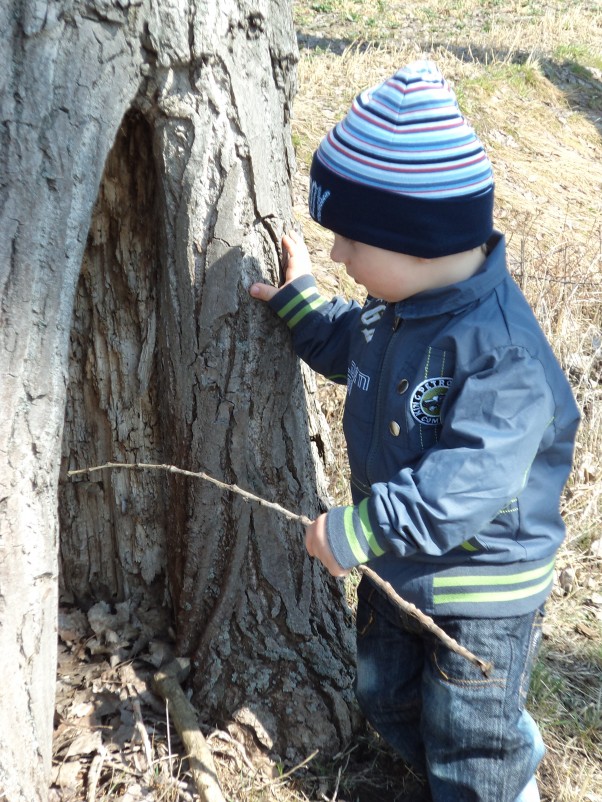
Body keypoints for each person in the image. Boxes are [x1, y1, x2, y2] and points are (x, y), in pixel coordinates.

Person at [249, 60, 580, 802]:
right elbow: (357, 346)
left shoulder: (504, 356)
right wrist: (304, 307)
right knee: (385, 696)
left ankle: (498, 779)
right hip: (401, 565)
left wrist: (359, 531)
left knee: (470, 734)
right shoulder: (397, 304)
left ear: (418, 242)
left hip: (482, 584)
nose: (337, 256)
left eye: (351, 243)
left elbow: (463, 487)